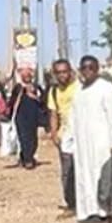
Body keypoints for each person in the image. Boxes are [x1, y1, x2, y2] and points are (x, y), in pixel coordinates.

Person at [62, 55, 112, 223]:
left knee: (106, 176)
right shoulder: (79, 91)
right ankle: (91, 211)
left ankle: (109, 211)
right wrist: (68, 140)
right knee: (85, 177)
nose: (88, 71)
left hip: (103, 144)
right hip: (83, 144)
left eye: (91, 68)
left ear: (97, 69)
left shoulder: (106, 88)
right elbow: (73, 118)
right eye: (84, 68)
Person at [44, 60, 78, 210]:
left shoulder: (79, 88)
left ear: (70, 71)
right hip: (65, 136)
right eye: (59, 72)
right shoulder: (54, 91)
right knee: (67, 170)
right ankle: (71, 202)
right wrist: (54, 133)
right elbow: (53, 113)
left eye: (65, 72)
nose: (62, 75)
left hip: (81, 135)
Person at [7, 68, 45, 170]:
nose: (27, 77)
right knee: (24, 139)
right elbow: (12, 101)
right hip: (21, 117)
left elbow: (43, 100)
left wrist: (35, 97)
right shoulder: (18, 87)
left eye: (29, 75)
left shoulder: (36, 87)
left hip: (33, 117)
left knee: (33, 140)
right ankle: (28, 161)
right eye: (25, 76)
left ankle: (25, 157)